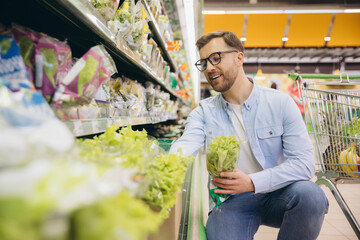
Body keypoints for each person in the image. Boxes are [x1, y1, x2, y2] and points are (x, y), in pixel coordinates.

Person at [169, 30, 328, 240]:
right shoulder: (204, 112)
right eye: (204, 62)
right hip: (232, 200)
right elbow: (186, 144)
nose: (209, 68)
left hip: (279, 193)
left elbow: (305, 164)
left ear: (239, 57)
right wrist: (164, 169)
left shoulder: (280, 103)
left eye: (216, 58)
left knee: (312, 196)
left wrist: (253, 182)